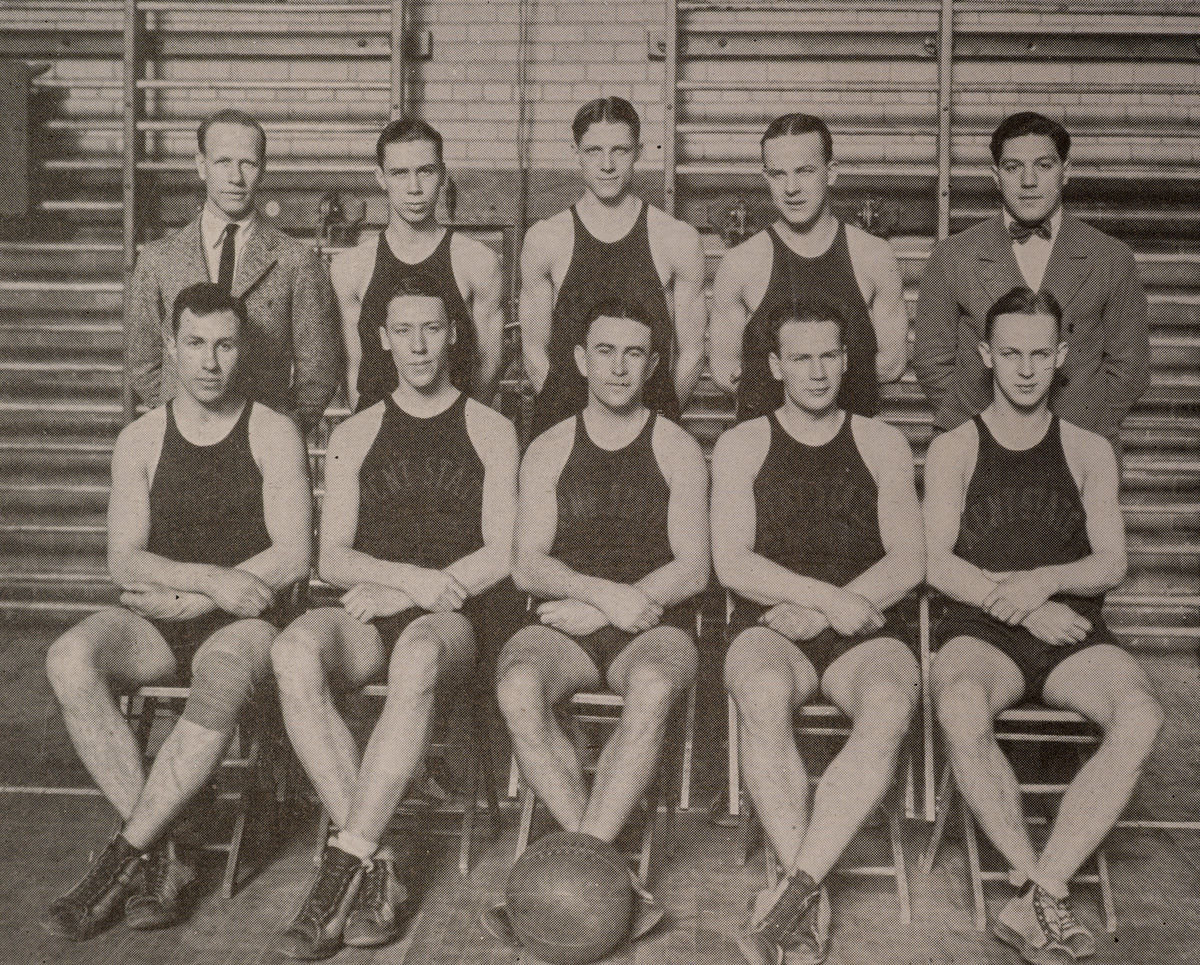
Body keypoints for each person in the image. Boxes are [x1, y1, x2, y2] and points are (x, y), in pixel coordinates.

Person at [41, 283, 312, 941]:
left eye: (225, 344)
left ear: (242, 349)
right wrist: (210, 582)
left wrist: (208, 597)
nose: (210, 361)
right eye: (195, 343)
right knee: (69, 657)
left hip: (246, 621)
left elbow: (294, 553)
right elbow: (123, 559)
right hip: (166, 618)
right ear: (170, 345)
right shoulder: (140, 438)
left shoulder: (273, 431)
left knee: (221, 671)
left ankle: (122, 856)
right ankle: (167, 845)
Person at [270, 274, 519, 960]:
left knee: (416, 653)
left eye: (432, 329)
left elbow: (501, 553)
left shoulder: (491, 429)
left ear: (453, 334)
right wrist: (406, 582)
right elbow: (332, 556)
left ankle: (339, 868)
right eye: (404, 331)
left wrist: (407, 596)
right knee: (292, 651)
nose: (419, 345)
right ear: (381, 338)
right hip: (375, 605)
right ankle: (377, 862)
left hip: (454, 616)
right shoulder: (356, 431)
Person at [924, 287, 1163, 964]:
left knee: (1142, 714)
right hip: (982, 632)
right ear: (985, 354)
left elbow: (1112, 562)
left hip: (1070, 636)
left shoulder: (1088, 449)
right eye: (1010, 354)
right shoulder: (955, 447)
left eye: (1038, 353)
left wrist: (1047, 580)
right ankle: (1036, 885)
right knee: (960, 702)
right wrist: (1027, 605)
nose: (1025, 369)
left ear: (1060, 355)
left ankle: (1039, 890)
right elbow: (935, 562)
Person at [713, 301, 924, 965]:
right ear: (776, 366)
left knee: (890, 701)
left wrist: (833, 610)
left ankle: (794, 891)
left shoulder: (882, 442)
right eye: (800, 358)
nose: (817, 371)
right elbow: (733, 562)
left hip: (866, 624)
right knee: (762, 689)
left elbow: (909, 561)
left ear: (847, 359)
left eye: (829, 355)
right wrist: (824, 599)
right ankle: (806, 895)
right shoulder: (743, 443)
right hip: (775, 623)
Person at [494, 297, 710, 928]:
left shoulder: (676, 447)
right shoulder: (550, 447)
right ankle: (610, 874)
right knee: (517, 687)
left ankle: (579, 872)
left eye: (634, 353)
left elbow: (693, 569)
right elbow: (527, 564)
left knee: (653, 686)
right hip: (565, 623)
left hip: (653, 625)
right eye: (606, 351)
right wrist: (604, 597)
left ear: (653, 365)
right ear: (580, 360)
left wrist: (613, 609)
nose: (619, 367)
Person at [914, 111, 1150, 450]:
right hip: (980, 444)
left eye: (1044, 165)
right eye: (1013, 167)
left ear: (1065, 171)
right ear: (996, 176)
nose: (1029, 181)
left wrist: (1085, 429)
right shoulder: (952, 256)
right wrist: (976, 428)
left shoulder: (1111, 258)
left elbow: (1130, 368)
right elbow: (931, 361)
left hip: (1078, 445)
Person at [128, 109, 341, 438]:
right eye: (222, 162)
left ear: (263, 168)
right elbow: (143, 363)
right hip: (181, 441)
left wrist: (278, 436)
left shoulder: (297, 261)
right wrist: (184, 423)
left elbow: (319, 373)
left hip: (261, 445)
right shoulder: (158, 259)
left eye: (248, 164)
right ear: (201, 165)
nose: (235, 178)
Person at [521, 97, 707, 436]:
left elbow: (692, 353)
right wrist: (569, 424)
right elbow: (534, 350)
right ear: (575, 152)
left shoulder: (677, 239)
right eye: (594, 151)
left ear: (638, 152)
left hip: (648, 427)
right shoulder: (546, 238)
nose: (607, 165)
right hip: (567, 426)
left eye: (619, 150)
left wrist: (658, 422)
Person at [710, 113, 909, 423]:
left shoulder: (874, 256)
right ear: (766, 177)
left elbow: (892, 364)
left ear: (831, 173)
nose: (791, 188)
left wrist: (784, 381)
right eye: (778, 174)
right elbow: (725, 370)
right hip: (769, 444)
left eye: (804, 171)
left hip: (848, 441)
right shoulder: (741, 262)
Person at [333, 118, 506, 412]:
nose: (414, 188)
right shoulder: (350, 267)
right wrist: (367, 429)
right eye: (399, 173)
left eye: (425, 171)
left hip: (453, 429)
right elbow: (354, 366)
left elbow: (489, 364)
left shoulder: (478, 262)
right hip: (378, 429)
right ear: (381, 178)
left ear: (442, 175)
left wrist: (463, 427)